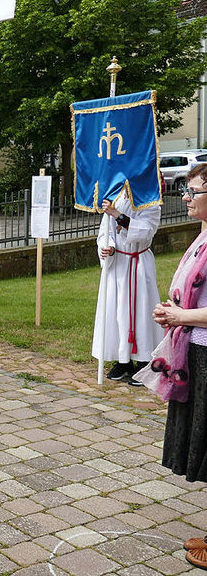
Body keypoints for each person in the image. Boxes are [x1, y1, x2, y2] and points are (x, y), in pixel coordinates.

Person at [137, 164, 207, 567]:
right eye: (187, 190)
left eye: (194, 190)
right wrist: (175, 311)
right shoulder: (202, 236)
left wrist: (181, 317)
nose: (186, 196)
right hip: (195, 351)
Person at [93, 187, 161, 384]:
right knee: (116, 312)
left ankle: (144, 361)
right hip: (119, 265)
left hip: (139, 264)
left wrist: (116, 214)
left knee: (141, 312)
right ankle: (123, 361)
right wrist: (108, 248)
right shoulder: (115, 195)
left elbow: (146, 231)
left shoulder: (150, 200)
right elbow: (105, 232)